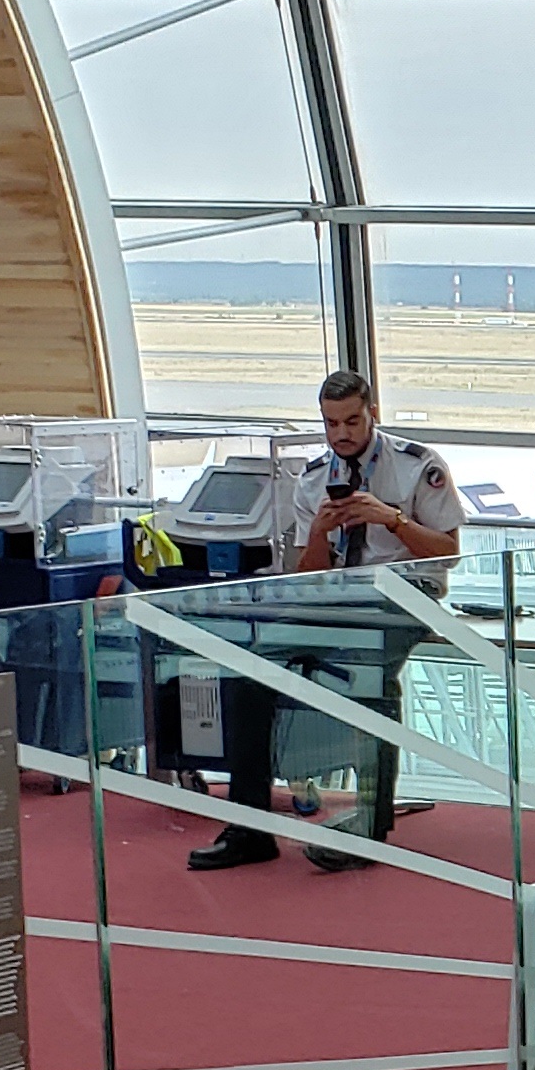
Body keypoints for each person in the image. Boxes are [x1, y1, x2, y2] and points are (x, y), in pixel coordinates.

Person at [186, 371, 463, 873]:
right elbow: (305, 578)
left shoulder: (417, 466)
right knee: (247, 673)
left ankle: (370, 824)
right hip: (335, 598)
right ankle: (250, 825)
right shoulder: (313, 478)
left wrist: (392, 520)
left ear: (372, 414)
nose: (341, 434)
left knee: (370, 678)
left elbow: (448, 553)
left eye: (352, 421)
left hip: (403, 595)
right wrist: (318, 534)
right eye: (331, 423)